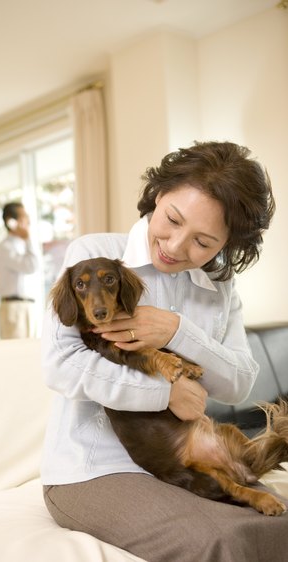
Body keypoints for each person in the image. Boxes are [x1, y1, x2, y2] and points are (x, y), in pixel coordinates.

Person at [40, 141, 288, 562]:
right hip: (95, 469)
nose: (175, 246)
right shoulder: (92, 255)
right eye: (172, 220)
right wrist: (164, 393)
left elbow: (240, 383)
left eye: (203, 242)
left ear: (227, 244)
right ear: (158, 194)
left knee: (279, 531)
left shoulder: (220, 288)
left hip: (190, 462)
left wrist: (176, 330)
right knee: (219, 541)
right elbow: (61, 366)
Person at [0, 202, 39, 339]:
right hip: (13, 309)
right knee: (15, 355)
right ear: (11, 222)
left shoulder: (21, 245)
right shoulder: (5, 248)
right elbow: (31, 266)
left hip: (26, 306)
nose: (28, 221)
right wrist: (28, 239)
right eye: (24, 217)